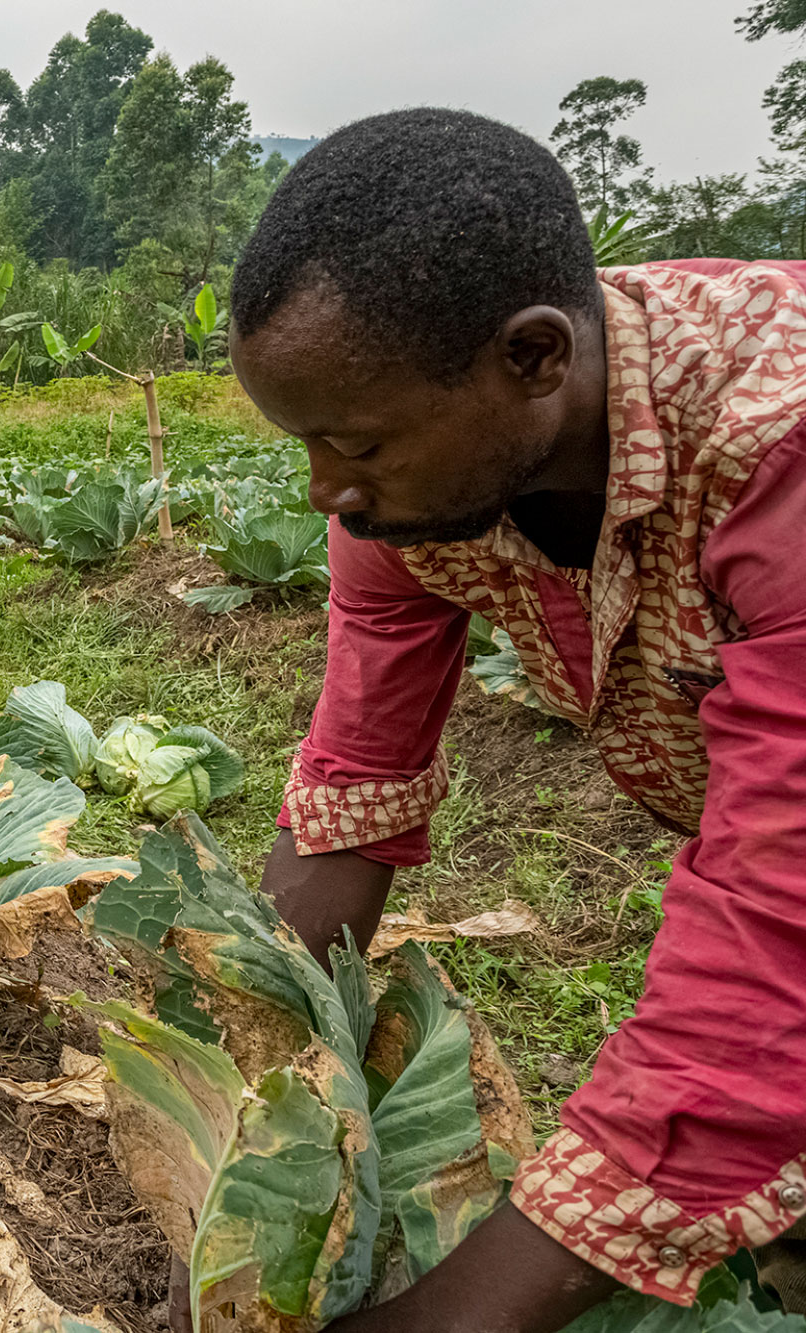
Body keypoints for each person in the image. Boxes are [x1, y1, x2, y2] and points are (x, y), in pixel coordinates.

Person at [218, 106, 806, 1330]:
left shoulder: (775, 439)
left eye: (354, 440)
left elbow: (773, 937)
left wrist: (440, 1319)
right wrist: (244, 1085)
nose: (325, 489)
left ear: (533, 358)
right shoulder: (414, 504)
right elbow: (356, 782)